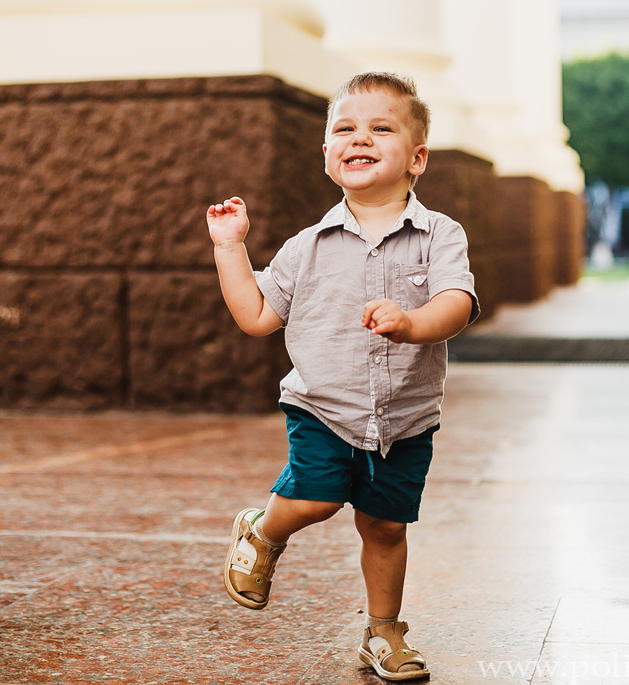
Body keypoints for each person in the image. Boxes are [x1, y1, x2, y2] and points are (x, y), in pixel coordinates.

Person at [205, 72, 478, 681]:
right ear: (327, 155)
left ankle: (383, 632)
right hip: (323, 406)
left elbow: (456, 303)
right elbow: (255, 316)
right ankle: (264, 529)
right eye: (345, 129)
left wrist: (410, 323)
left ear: (417, 157)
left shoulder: (440, 235)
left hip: (405, 417)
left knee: (384, 526)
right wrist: (230, 248)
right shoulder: (307, 246)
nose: (361, 138)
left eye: (381, 128)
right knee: (316, 498)